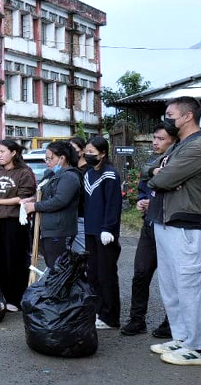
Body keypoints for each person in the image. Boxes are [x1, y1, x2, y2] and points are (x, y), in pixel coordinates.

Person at [145, 96, 201, 366]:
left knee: (192, 286)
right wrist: (159, 172)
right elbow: (148, 169)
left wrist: (161, 175)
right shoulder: (178, 146)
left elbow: (162, 179)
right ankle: (182, 337)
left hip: (188, 225)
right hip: (167, 222)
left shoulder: (198, 147)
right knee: (172, 287)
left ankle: (198, 347)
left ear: (187, 116)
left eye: (170, 115)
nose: (166, 120)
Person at [123, 124, 176, 338]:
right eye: (154, 138)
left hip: (170, 228)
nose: (155, 142)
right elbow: (144, 191)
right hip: (149, 226)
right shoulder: (152, 164)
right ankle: (137, 319)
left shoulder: (178, 164)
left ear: (173, 141)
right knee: (141, 273)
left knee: (170, 278)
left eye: (160, 139)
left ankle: (171, 321)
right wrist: (142, 202)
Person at [0, 139, 36, 311]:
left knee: (15, 259)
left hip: (16, 221)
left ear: (13, 153)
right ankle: (2, 296)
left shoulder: (24, 172)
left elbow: (23, 198)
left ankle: (16, 299)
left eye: (2, 152)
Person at [82, 136, 122, 330]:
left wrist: (108, 228)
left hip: (106, 233)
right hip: (90, 230)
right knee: (93, 273)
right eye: (86, 151)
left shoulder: (110, 175)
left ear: (103, 153)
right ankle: (98, 310)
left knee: (107, 274)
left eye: (92, 152)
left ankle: (110, 316)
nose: (87, 155)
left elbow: (113, 204)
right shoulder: (88, 173)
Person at [22, 141, 80, 269]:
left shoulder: (69, 177)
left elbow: (59, 201)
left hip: (59, 230)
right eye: (46, 159)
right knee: (51, 265)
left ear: (62, 158)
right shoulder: (51, 174)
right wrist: (33, 200)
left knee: (58, 267)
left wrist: (35, 206)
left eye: (50, 159)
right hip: (47, 229)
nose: (47, 162)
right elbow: (44, 194)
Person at [68, 136, 89, 253]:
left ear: (82, 150)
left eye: (74, 149)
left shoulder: (89, 169)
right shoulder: (71, 169)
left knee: (80, 251)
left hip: (83, 215)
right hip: (71, 215)